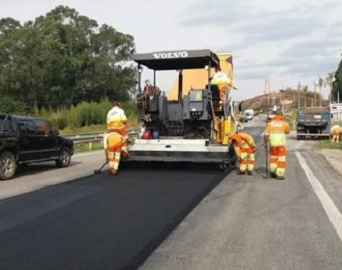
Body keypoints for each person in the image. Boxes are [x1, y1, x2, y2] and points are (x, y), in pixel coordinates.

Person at [263, 111, 291, 180]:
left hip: (272, 144)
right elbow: (288, 132)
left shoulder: (270, 124)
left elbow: (266, 135)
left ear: (275, 116)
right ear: (282, 116)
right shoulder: (285, 123)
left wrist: (265, 143)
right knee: (281, 159)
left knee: (273, 158)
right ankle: (280, 174)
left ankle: (272, 171)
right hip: (281, 144)